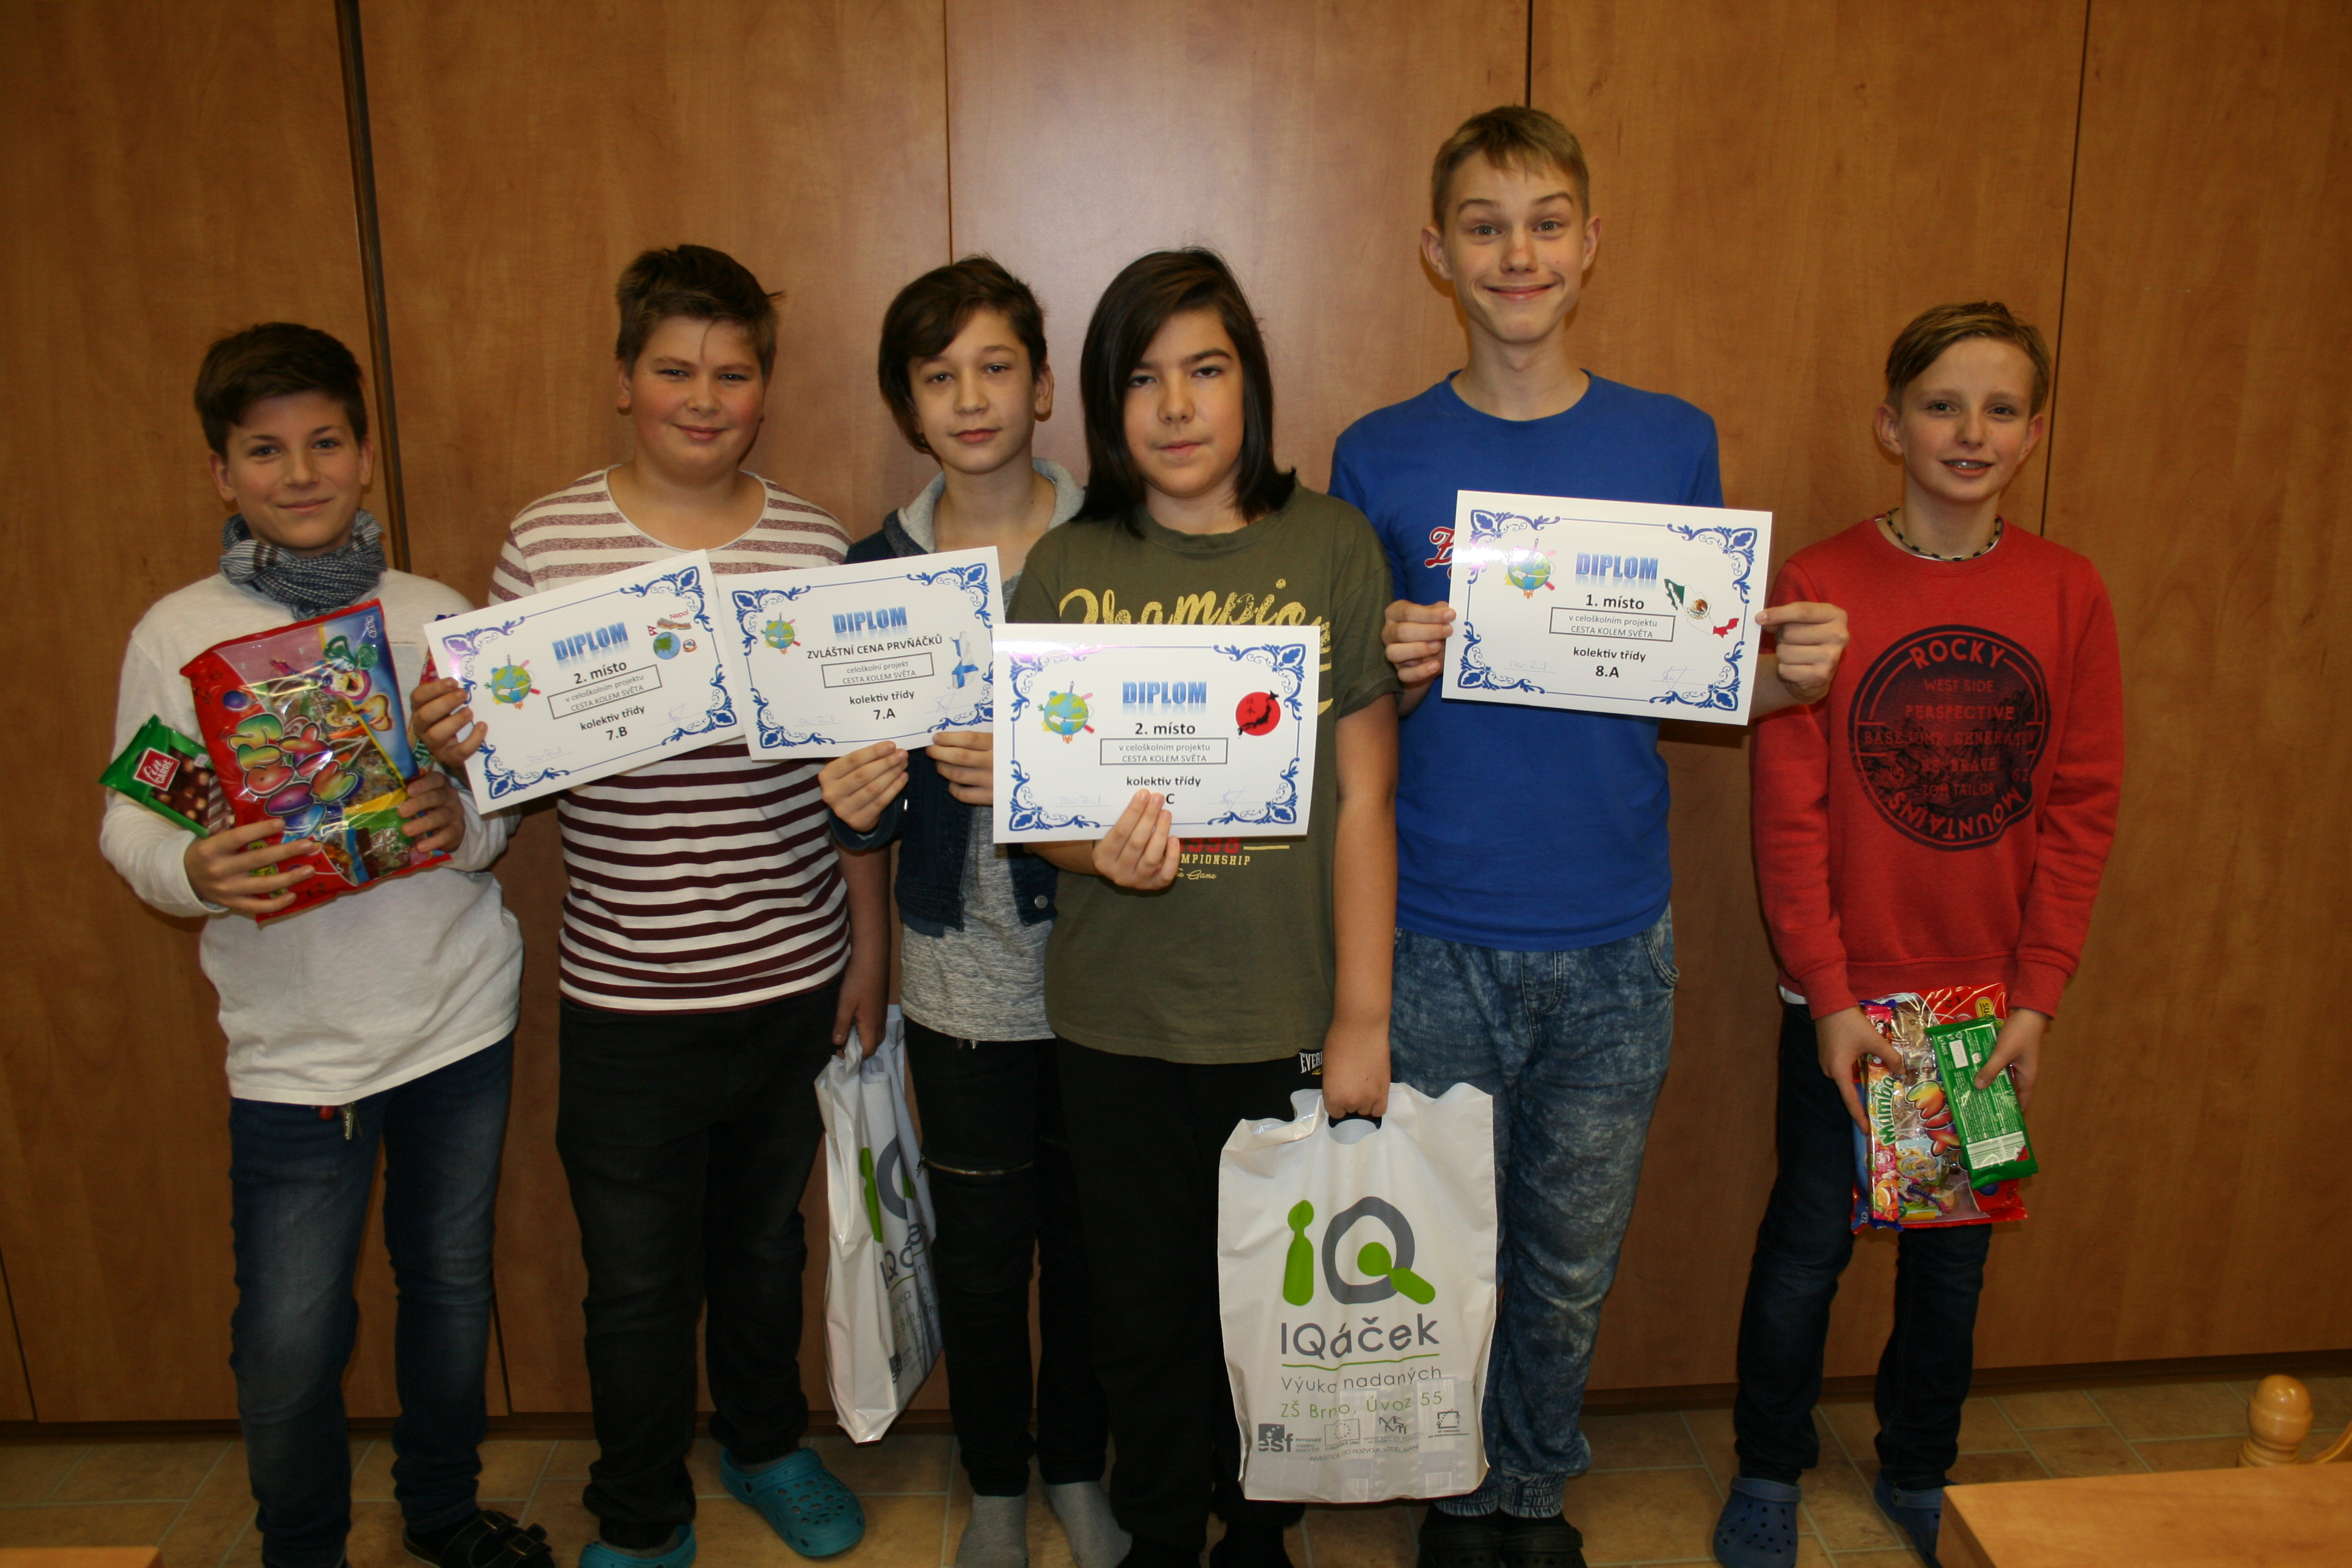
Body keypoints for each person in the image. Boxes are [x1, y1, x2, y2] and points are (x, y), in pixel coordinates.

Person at [1328, 107, 1851, 1568]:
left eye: (1548, 222)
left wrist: (1784, 678)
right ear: (1436, 252)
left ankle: (1532, 1490)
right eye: (1485, 225)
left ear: (1591, 243)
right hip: (1433, 927)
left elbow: (1692, 674)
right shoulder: (1377, 453)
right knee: (1446, 1251)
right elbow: (1348, 709)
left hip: (1615, 933)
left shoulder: (1669, 440)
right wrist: (1392, 660)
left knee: (1567, 1264)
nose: (1519, 254)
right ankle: (1456, 1494)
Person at [413, 246, 888, 1568]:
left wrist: (869, 948)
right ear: (625, 380)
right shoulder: (546, 540)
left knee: (763, 1253)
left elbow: (853, 772)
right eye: (675, 369)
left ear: (764, 389)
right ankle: (639, 1509)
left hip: (791, 975)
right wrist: (463, 742)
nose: (704, 397)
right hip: (625, 992)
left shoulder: (810, 545)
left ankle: (765, 1444)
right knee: (632, 1282)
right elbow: (503, 766)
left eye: (732, 373)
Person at [100, 323, 538, 1568]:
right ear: (221, 472)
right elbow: (134, 820)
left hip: (456, 1018)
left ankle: (442, 1512)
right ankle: (301, 1546)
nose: (300, 473)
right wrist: (191, 872)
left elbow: (497, 809)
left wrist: (462, 817)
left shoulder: (430, 615)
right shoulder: (179, 636)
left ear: (364, 453)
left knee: (448, 1291)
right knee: (291, 1332)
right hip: (295, 1052)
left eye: (326, 442)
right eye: (265, 450)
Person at [1711, 302, 2123, 1568]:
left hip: (1980, 1012)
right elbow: (1789, 818)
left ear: (2034, 434)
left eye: (2001, 409)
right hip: (1847, 1008)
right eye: (1943, 404)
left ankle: (1919, 1468)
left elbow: (2082, 805)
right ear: (1891, 425)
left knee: (1952, 1264)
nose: (1971, 431)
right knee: (1806, 1251)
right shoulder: (1820, 586)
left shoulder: (2068, 592)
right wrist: (1829, 996)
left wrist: (2036, 996)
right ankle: (1768, 1469)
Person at [1007, 248, 1399, 1568]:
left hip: (1281, 1012)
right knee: (1143, 1311)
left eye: (1207, 370)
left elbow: (1365, 799)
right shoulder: (1066, 566)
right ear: (1105, 405)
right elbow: (1036, 807)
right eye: (1142, 379)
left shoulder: (1332, 545)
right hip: (1118, 1024)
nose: (1176, 407)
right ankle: (1165, 1530)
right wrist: (1097, 856)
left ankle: (1261, 1532)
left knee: (1275, 1310)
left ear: (1252, 385)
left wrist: (1361, 1018)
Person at [817, 256, 1123, 1568]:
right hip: (958, 984)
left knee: (1096, 1252)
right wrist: (855, 809)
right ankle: (997, 1484)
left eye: (998, 367)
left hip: (1114, 970)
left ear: (1045, 386)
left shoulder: (1120, 544)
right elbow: (862, 813)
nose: (972, 397)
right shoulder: (872, 572)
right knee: (987, 1257)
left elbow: (1167, 755)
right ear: (907, 405)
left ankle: (1080, 1470)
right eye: (939, 377)